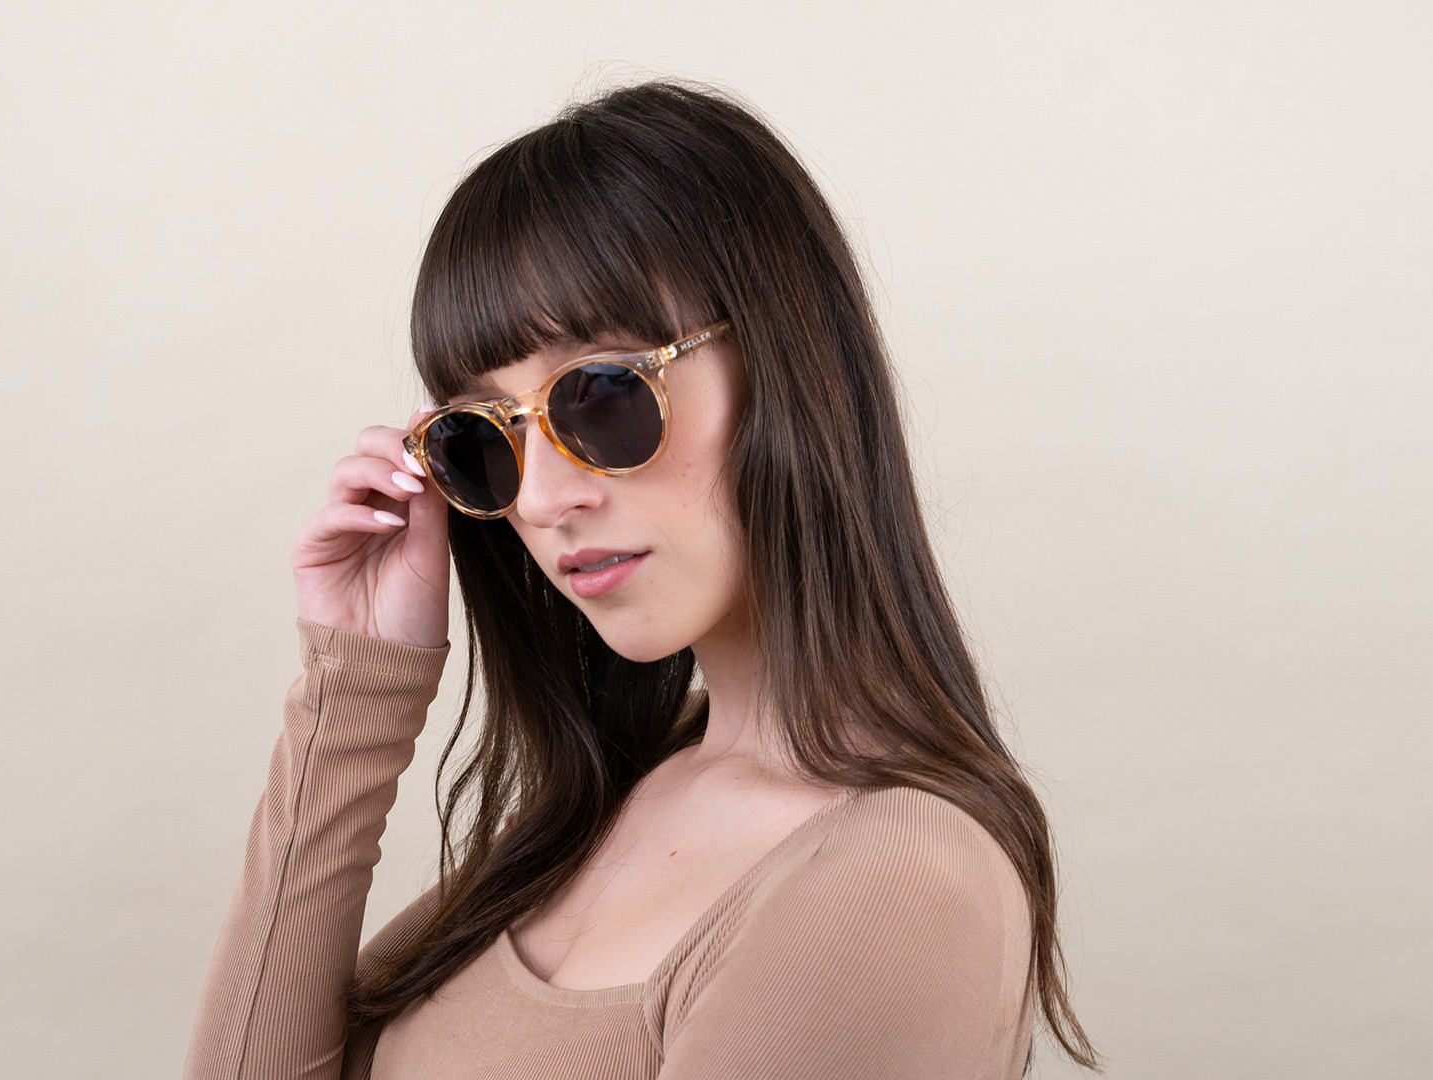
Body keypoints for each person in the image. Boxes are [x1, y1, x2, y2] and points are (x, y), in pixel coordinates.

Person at [183, 78, 1102, 1080]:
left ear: (786, 367)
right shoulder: (616, 797)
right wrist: (357, 686)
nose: (543, 498)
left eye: (605, 395)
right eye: (485, 436)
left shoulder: (896, 887)